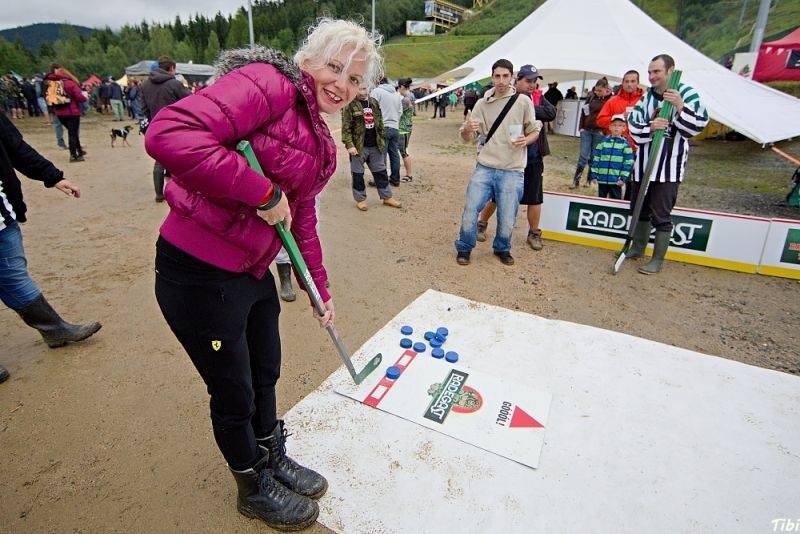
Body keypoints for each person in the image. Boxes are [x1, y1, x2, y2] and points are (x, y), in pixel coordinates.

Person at [144, 19, 382, 530]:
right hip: (200, 272)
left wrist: (318, 287)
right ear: (307, 61)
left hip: (251, 268)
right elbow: (169, 133)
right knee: (233, 388)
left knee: (265, 370)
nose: (343, 84)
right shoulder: (266, 85)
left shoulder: (318, 126)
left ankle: (270, 455)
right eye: (334, 68)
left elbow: (304, 218)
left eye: (356, 78)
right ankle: (251, 482)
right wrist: (262, 192)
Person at [0, 113, 101, 362]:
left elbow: (16, 148)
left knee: (14, 276)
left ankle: (54, 330)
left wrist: (53, 176)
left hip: (2, 218)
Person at [626, 54, 709, 274]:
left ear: (670, 71)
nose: (652, 76)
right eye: (650, 72)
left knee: (661, 215)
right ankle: (637, 247)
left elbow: (697, 126)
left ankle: (657, 260)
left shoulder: (688, 94)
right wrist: (651, 127)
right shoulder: (646, 98)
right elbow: (633, 123)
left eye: (657, 72)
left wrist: (680, 106)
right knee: (639, 209)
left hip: (668, 169)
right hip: (643, 166)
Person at [456, 59, 540, 266]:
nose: (501, 81)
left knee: (507, 216)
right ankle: (464, 247)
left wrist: (526, 140)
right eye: (497, 76)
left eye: (505, 76)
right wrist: (467, 128)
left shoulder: (522, 101)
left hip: (512, 169)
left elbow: (534, 131)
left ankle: (502, 248)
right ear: (492, 77)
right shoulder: (482, 104)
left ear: (512, 77)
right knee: (470, 209)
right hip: (485, 166)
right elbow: (467, 137)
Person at [476, 64, 555, 251]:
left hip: (534, 155)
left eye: (535, 81)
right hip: (508, 156)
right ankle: (482, 223)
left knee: (535, 196)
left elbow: (551, 113)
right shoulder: (502, 97)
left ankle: (534, 233)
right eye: (528, 81)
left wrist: (528, 107)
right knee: (496, 194)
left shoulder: (536, 97)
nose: (532, 85)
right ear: (517, 80)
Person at [341, 83, 401, 210]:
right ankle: (360, 199)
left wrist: (382, 139)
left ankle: (386, 197)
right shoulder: (349, 104)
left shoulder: (373, 102)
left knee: (381, 172)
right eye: (360, 89)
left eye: (365, 89)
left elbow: (379, 123)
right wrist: (350, 145)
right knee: (358, 174)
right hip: (358, 147)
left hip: (375, 146)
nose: (363, 92)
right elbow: (346, 128)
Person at [140, 56, 192, 202]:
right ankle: (179, 192)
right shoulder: (174, 84)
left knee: (159, 160)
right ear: (171, 68)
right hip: (176, 126)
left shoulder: (144, 85)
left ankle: (159, 194)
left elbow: (144, 109)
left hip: (155, 127)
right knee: (180, 158)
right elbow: (190, 101)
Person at [596, 70, 643, 200]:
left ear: (638, 83)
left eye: (633, 81)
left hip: (637, 148)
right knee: (614, 181)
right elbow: (600, 120)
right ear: (622, 83)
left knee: (633, 181)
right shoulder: (613, 101)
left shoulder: (644, 101)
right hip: (615, 149)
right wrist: (617, 118)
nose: (629, 84)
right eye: (626, 81)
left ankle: (629, 209)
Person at [570, 79, 611, 188]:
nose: (597, 92)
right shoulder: (591, 97)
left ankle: (588, 180)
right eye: (596, 90)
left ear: (606, 89)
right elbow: (584, 112)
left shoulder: (610, 100)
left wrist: (605, 131)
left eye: (600, 90)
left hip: (599, 132)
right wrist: (581, 127)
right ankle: (576, 180)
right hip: (587, 130)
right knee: (583, 156)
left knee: (594, 156)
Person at [45, 64, 87, 163]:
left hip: (59, 112)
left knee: (72, 132)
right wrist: (85, 97)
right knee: (73, 133)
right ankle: (73, 155)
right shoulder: (70, 83)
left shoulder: (52, 83)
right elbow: (79, 97)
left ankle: (80, 151)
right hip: (72, 112)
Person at [589, 114, 633, 199]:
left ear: (624, 128)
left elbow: (628, 163)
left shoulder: (626, 145)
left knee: (615, 203)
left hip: (616, 181)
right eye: (614, 125)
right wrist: (594, 174)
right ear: (610, 127)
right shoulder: (603, 143)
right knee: (601, 201)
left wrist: (623, 178)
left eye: (620, 125)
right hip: (602, 179)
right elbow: (596, 158)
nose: (616, 128)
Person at [370, 76, 403, 187]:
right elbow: (400, 112)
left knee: (381, 154)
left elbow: (371, 109)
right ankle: (395, 179)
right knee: (394, 154)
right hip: (395, 127)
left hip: (382, 127)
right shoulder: (397, 94)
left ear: (376, 81)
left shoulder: (376, 91)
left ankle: (380, 180)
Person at [397, 78, 415, 183]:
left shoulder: (405, 99)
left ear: (402, 87)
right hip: (407, 127)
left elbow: (398, 113)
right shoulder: (411, 96)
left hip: (403, 129)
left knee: (403, 152)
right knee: (404, 151)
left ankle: (409, 174)